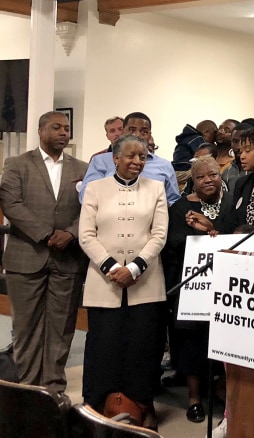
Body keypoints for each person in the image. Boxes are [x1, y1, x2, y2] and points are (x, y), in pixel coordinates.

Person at [79, 135, 169, 431]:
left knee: (142, 348)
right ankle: (96, 407)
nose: (137, 162)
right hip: (104, 283)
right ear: (114, 158)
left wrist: (134, 267)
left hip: (145, 282)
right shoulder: (95, 188)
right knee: (103, 346)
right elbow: (86, 235)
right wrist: (112, 267)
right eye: (130, 156)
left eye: (142, 157)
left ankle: (141, 407)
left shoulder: (156, 188)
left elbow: (159, 235)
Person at [0, 110, 88, 394]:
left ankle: (53, 389)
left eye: (67, 128)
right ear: (41, 131)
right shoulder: (17, 164)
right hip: (26, 257)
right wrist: (46, 234)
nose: (64, 132)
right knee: (26, 328)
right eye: (57, 127)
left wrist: (71, 233)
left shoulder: (83, 169)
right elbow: (11, 204)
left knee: (61, 329)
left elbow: (91, 208)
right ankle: (27, 390)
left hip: (67, 258)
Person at [162, 156, 232, 424]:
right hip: (191, 289)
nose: (208, 180)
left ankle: (222, 390)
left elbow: (238, 232)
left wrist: (214, 229)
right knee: (192, 344)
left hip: (225, 287)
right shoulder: (181, 208)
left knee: (223, 341)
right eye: (201, 177)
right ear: (193, 179)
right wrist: (201, 236)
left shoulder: (231, 203)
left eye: (213, 174)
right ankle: (194, 399)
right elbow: (173, 244)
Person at [79, 112, 180, 206]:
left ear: (150, 135)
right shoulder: (100, 161)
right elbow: (85, 197)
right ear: (123, 132)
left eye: (144, 132)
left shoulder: (164, 165)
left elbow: (174, 201)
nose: (137, 135)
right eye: (132, 130)